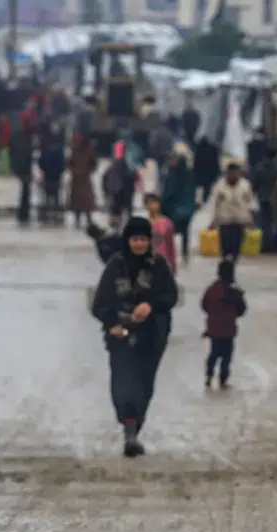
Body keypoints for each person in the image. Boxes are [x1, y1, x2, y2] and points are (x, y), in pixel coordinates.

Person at [91, 216, 177, 458]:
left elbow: (170, 296)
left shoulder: (158, 265)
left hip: (152, 335)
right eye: (134, 239)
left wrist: (151, 305)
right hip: (121, 335)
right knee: (123, 382)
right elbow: (100, 303)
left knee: (144, 383)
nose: (139, 244)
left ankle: (134, 428)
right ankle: (129, 430)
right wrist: (112, 323)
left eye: (143, 239)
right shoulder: (115, 266)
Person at [202, 259, 247, 389]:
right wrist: (232, 315)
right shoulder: (235, 291)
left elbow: (204, 305)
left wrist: (213, 314)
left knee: (214, 353)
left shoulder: (212, 289)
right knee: (227, 355)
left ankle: (209, 375)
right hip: (228, 329)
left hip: (214, 328)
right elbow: (242, 309)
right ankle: (223, 379)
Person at [207, 163, 257, 262]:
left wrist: (251, 220)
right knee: (225, 249)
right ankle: (226, 268)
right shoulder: (219, 186)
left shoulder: (245, 185)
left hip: (240, 221)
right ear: (227, 173)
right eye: (231, 173)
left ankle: (232, 266)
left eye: (236, 173)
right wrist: (213, 220)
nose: (233, 175)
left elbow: (251, 202)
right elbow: (213, 204)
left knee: (236, 249)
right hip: (225, 221)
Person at [161, 154, 197, 260]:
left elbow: (168, 193)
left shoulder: (172, 175)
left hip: (173, 210)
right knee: (185, 233)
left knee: (169, 232)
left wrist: (162, 205)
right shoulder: (190, 175)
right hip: (187, 210)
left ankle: (169, 254)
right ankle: (185, 254)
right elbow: (193, 191)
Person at [250, 148, 277, 252]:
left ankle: (263, 244)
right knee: (274, 223)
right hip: (275, 200)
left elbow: (254, 184)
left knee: (262, 222)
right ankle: (273, 245)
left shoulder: (259, 167)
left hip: (262, 198)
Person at [145, 193, 178, 275]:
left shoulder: (167, 224)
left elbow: (171, 245)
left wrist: (173, 265)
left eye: (155, 203)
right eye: (149, 204)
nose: (152, 206)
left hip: (163, 260)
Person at [68, 133, 97, 228]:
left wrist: (86, 171)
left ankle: (88, 220)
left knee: (85, 202)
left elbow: (94, 164)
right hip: (78, 180)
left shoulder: (87, 151)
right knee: (78, 202)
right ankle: (78, 220)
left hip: (83, 179)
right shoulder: (74, 151)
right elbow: (70, 164)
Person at [38, 135, 66, 223]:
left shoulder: (45, 151)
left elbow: (40, 163)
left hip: (47, 177)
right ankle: (57, 215)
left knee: (46, 197)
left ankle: (45, 215)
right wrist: (59, 172)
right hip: (57, 177)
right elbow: (63, 165)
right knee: (57, 197)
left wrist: (45, 170)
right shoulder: (60, 152)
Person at [11, 130, 34, 225]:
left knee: (25, 192)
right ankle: (24, 213)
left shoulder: (20, 139)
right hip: (25, 171)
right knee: (25, 192)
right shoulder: (25, 142)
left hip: (23, 170)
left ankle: (23, 213)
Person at [194, 137, 220, 203]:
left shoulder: (199, 149)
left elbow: (196, 161)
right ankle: (205, 199)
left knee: (199, 186)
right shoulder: (213, 149)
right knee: (206, 186)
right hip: (209, 172)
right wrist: (216, 172)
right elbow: (215, 163)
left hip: (201, 171)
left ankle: (199, 200)